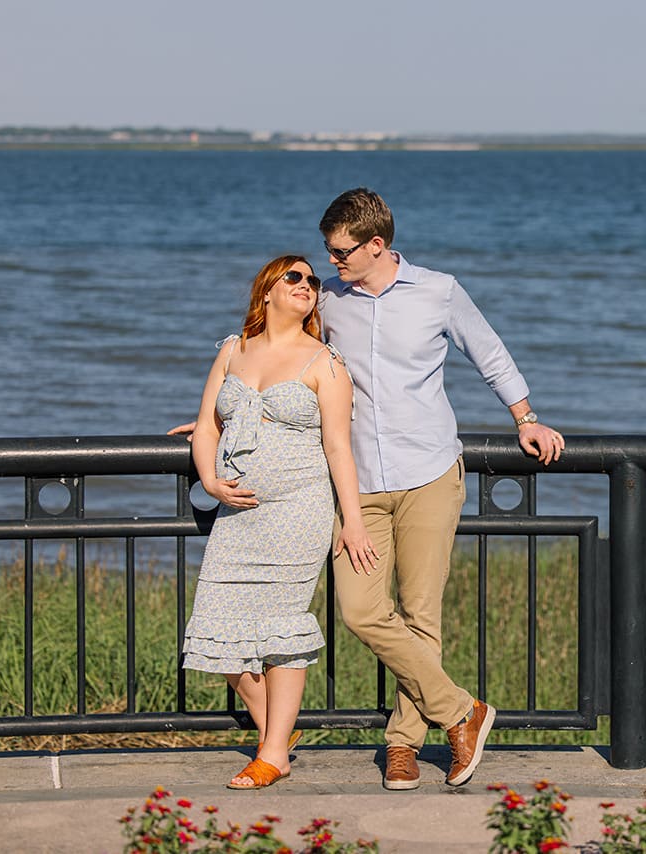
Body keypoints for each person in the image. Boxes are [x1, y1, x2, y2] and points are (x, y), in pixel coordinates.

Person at [318, 188, 565, 790]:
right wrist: (225, 414)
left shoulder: (438, 290)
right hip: (359, 486)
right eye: (329, 251)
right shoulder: (326, 300)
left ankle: (403, 743)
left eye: (341, 251)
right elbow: (281, 356)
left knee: (421, 615)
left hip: (429, 473)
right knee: (360, 609)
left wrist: (525, 418)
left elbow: (490, 353)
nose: (333, 262)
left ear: (377, 245)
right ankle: (463, 712)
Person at [181, 255, 376, 790]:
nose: (308, 285)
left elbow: (339, 447)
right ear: (266, 290)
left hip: (299, 510)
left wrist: (352, 522)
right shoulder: (232, 350)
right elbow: (205, 426)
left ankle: (272, 753)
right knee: (217, 632)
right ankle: (278, 734)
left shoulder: (325, 362)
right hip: (237, 514)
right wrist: (212, 479)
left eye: (314, 281)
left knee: (282, 631)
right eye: (296, 277)